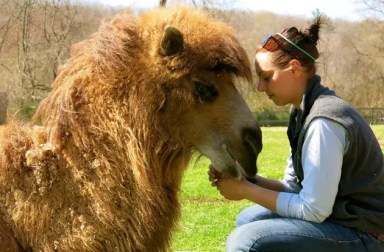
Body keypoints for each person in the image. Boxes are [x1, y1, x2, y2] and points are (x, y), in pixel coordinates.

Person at [208, 17, 384, 252]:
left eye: (267, 77)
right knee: (248, 219)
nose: (261, 88)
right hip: (339, 220)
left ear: (294, 68)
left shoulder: (323, 121)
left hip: (366, 235)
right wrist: (245, 179)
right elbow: (295, 187)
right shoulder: (301, 113)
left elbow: (313, 209)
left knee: (246, 240)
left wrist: (246, 191)